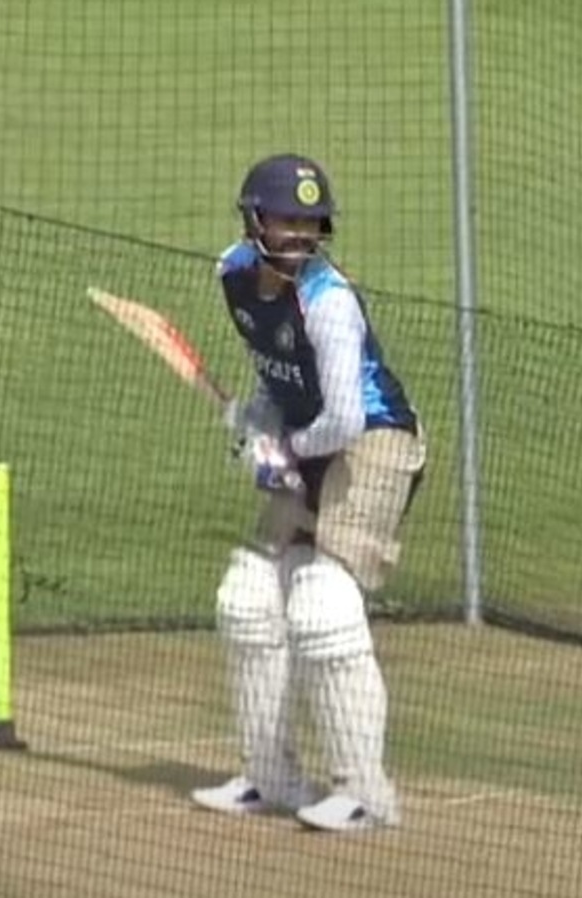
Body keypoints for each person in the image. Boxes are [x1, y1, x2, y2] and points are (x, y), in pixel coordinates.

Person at [189, 153, 426, 833]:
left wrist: (282, 451)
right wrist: (258, 426)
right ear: (254, 219)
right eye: (285, 220)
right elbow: (278, 373)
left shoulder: (329, 303)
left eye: (310, 222)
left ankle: (367, 793)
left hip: (376, 440)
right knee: (248, 597)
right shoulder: (233, 274)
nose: (298, 234)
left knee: (323, 599)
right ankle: (272, 777)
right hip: (311, 437)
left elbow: (346, 418)